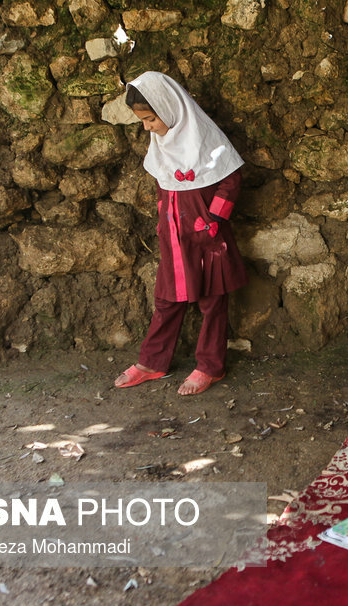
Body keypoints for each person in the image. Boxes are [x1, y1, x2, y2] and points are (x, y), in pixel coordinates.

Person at [114, 72, 247, 395]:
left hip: (207, 236)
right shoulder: (161, 143)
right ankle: (152, 362)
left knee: (212, 302)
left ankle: (210, 366)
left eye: (150, 119)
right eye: (142, 121)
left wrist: (214, 218)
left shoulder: (206, 139)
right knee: (166, 300)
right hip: (174, 236)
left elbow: (230, 179)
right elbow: (165, 182)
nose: (147, 127)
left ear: (169, 108)